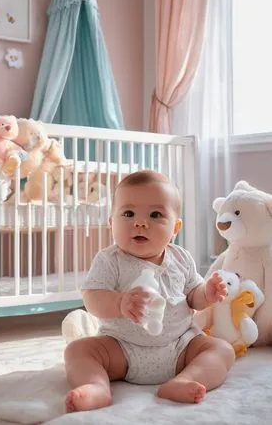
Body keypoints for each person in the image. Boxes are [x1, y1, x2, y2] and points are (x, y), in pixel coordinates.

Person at [65, 170, 235, 412]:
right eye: (128, 213)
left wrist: (206, 294)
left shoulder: (181, 258)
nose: (140, 222)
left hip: (180, 346)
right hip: (122, 349)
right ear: (112, 223)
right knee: (78, 350)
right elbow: (92, 298)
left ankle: (185, 379)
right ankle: (96, 387)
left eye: (155, 215)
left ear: (175, 228)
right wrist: (120, 303)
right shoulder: (110, 260)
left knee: (222, 350)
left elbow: (192, 296)